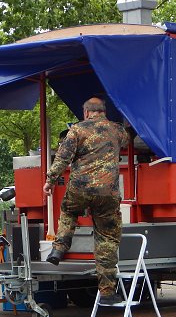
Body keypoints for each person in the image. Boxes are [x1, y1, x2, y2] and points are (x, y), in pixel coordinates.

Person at [43, 95, 129, 305]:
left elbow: (62, 158)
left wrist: (49, 181)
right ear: (103, 112)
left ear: (85, 112)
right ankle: (107, 292)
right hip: (107, 193)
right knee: (107, 238)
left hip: (80, 189)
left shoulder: (77, 130)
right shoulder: (117, 130)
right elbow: (127, 141)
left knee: (69, 210)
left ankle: (59, 247)